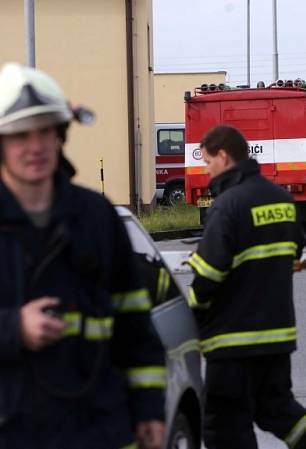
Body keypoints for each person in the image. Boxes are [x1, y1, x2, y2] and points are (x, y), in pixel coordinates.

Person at [0, 62, 166, 448]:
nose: (36, 146)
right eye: (20, 135)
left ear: (60, 135)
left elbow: (134, 324)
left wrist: (149, 409)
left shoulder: (96, 216)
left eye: (45, 131)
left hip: (96, 429)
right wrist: (13, 329)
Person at [187, 124, 306, 449]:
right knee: (279, 411)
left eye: (208, 163)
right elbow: (294, 250)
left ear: (223, 157)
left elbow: (207, 274)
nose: (207, 172)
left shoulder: (227, 205)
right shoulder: (280, 199)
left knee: (224, 427)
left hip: (232, 341)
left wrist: (192, 314)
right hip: (277, 337)